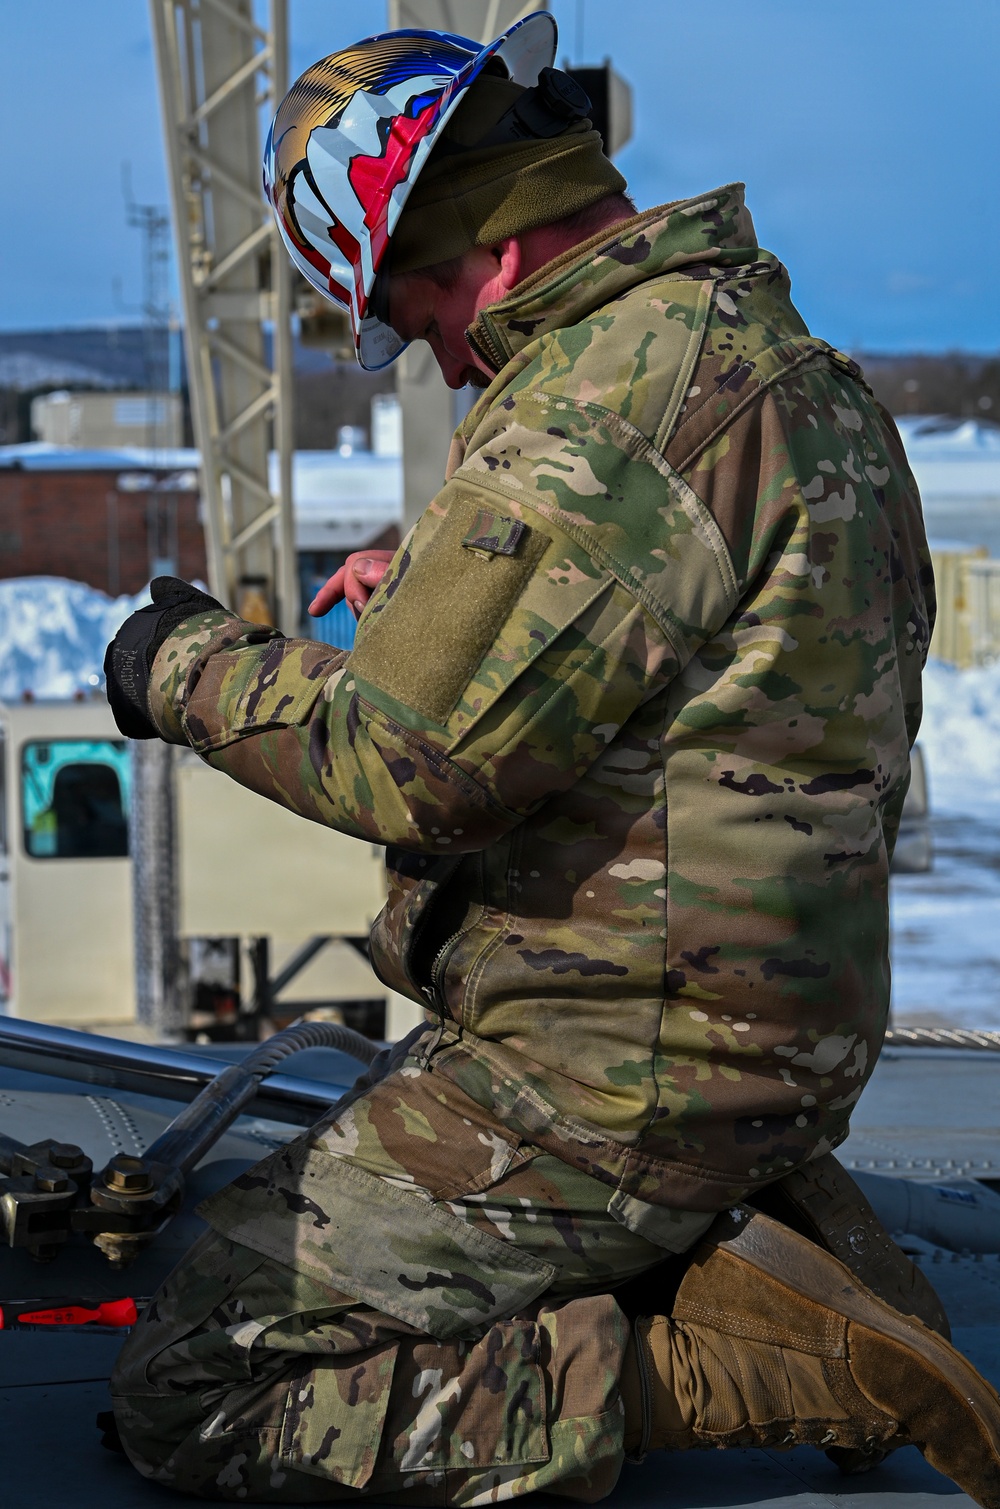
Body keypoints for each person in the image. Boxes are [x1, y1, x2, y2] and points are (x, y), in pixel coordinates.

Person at [104, 13, 1000, 1506]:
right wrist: (454, 595)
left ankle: (741, 1362)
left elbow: (408, 765)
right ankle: (754, 1231)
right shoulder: (778, 364)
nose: (439, 359)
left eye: (410, 304)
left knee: (201, 1373)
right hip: (759, 1039)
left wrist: (176, 668)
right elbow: (713, 688)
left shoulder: (599, 400)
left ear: (483, 240)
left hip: (611, 1073)